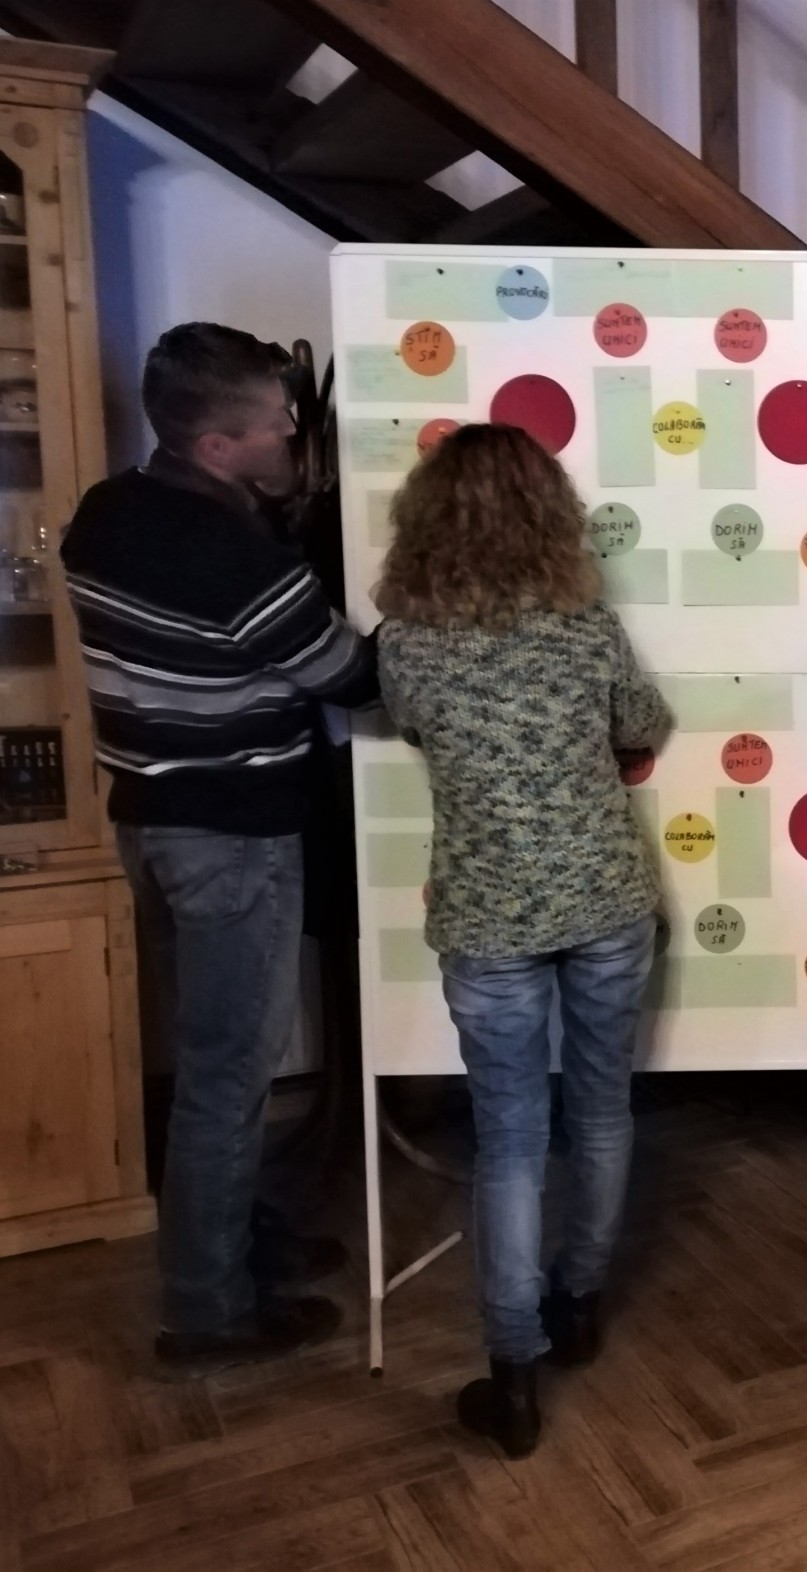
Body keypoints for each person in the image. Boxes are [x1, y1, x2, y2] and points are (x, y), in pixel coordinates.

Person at [61, 323, 379, 1369]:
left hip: (150, 822)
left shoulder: (105, 511)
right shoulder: (239, 560)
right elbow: (349, 676)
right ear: (215, 446)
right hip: (232, 837)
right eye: (275, 424)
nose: (291, 434)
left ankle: (241, 1243)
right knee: (226, 1076)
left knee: (210, 1060)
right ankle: (207, 1312)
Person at [375, 422, 671, 1459]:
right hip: (603, 901)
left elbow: (413, 729)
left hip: (487, 916)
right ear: (552, 515)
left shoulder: (404, 641)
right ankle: (578, 1305)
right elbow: (642, 723)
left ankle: (512, 1376)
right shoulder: (584, 626)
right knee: (600, 1109)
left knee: (507, 1137)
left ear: (426, 520)